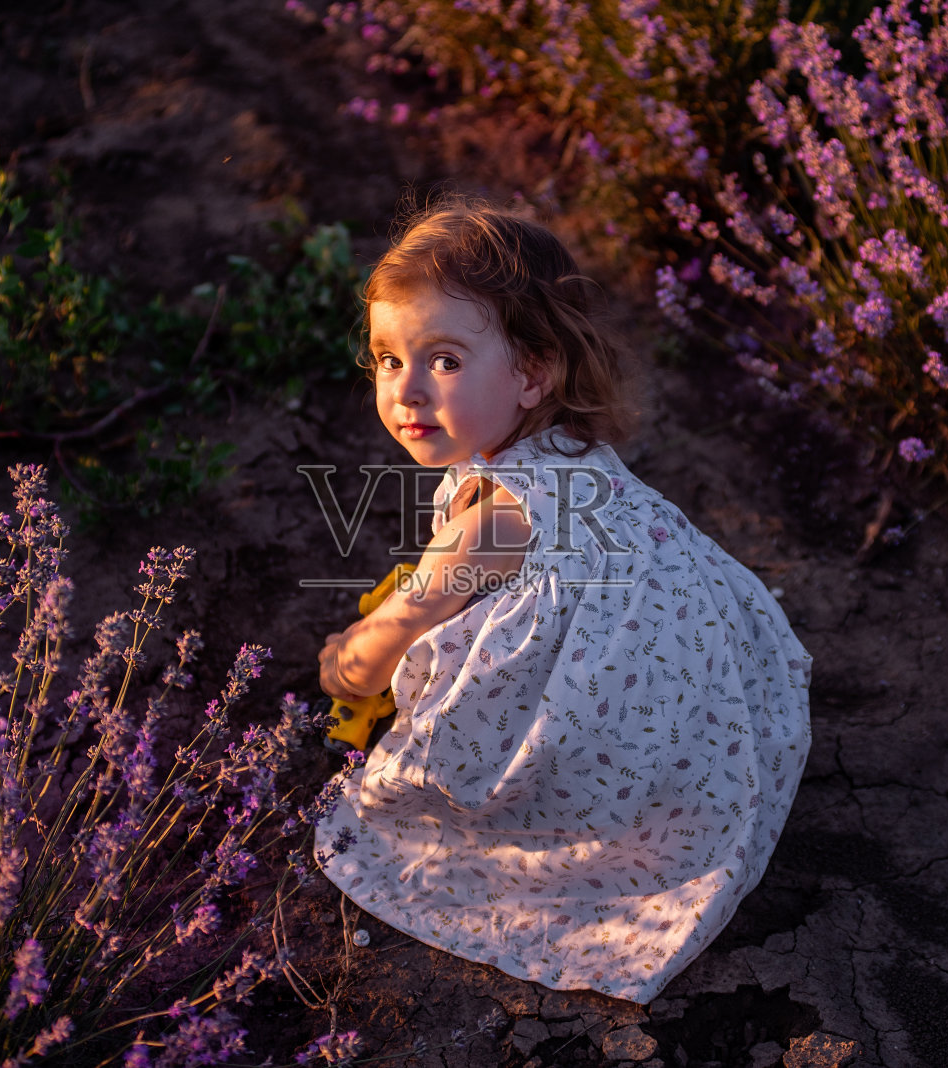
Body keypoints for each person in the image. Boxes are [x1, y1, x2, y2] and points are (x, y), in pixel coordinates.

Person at [314, 198, 811, 1005]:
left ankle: (575, 835)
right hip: (712, 693)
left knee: (428, 794)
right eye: (386, 358)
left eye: (443, 360)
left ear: (533, 371)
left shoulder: (491, 524)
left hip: (622, 745)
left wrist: (350, 661)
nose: (405, 391)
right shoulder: (575, 454)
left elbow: (397, 626)